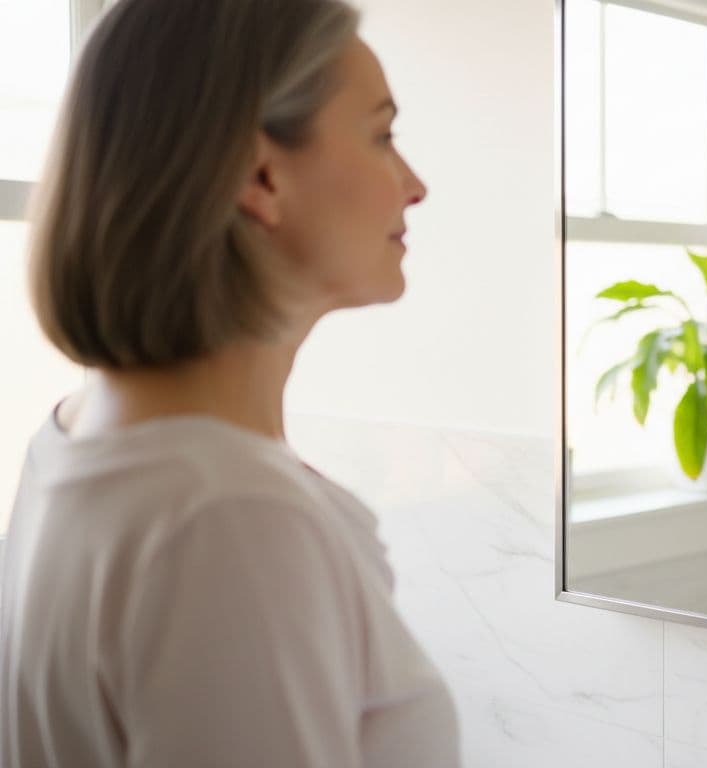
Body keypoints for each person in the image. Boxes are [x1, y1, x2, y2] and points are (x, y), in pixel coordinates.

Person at [0, 0, 460, 764]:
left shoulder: (76, 437)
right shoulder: (230, 517)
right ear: (259, 175)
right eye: (381, 135)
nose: (413, 186)